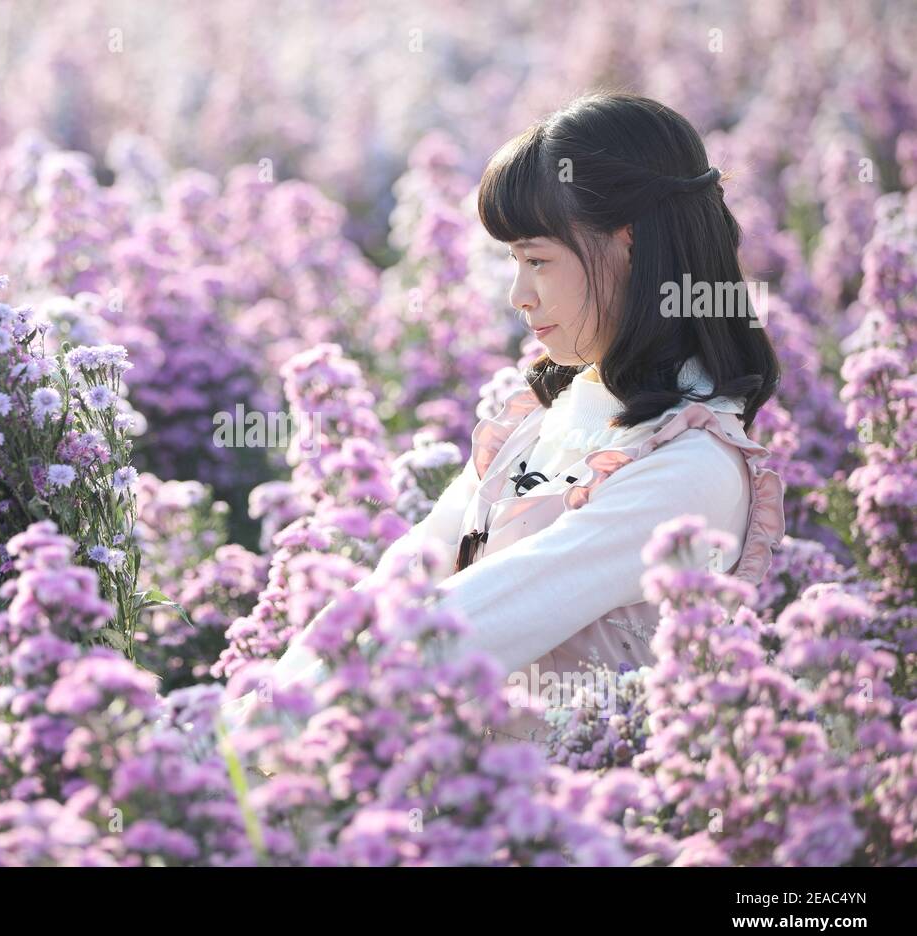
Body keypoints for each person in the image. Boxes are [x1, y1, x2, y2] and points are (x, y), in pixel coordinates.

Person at [225, 91, 787, 744]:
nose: (518, 296)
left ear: (630, 244)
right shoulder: (543, 417)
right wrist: (248, 729)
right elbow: (407, 574)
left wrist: (267, 742)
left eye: (538, 260)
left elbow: (474, 620)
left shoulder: (690, 472)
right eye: (512, 263)